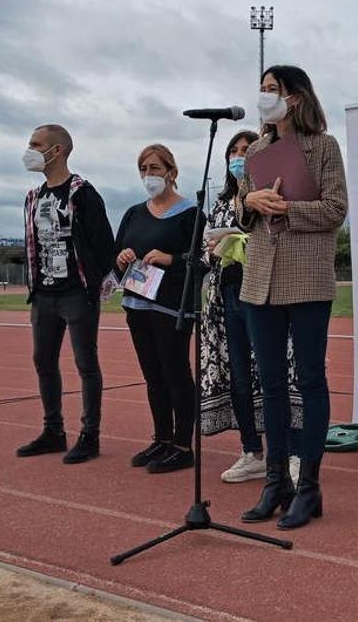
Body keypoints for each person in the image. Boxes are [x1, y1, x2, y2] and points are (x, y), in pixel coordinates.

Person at [237, 65, 348, 530]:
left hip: (306, 280)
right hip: (259, 279)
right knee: (272, 383)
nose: (264, 98)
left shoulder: (323, 146)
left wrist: (287, 208)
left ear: (296, 97)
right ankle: (276, 480)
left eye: (272, 90)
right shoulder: (256, 151)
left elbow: (336, 209)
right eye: (261, 89)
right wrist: (250, 203)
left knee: (310, 379)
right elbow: (244, 213)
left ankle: (310, 487)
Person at [198, 130, 304, 484]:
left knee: (278, 375)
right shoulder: (220, 202)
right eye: (233, 150)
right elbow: (205, 248)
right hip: (229, 297)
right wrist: (215, 248)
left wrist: (244, 239)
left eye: (246, 149)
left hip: (269, 294)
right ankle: (251, 451)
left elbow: (285, 237)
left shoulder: (275, 192)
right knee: (241, 377)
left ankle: (293, 453)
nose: (239, 155)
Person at [16, 124, 115, 464]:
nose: (29, 149)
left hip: (77, 294)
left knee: (85, 363)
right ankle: (53, 430)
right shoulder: (34, 197)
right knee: (43, 360)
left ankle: (90, 435)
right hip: (44, 294)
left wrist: (94, 288)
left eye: (36, 144)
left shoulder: (82, 194)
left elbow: (104, 245)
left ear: (56, 151)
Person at [116, 144, 205, 474]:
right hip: (137, 303)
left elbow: (204, 259)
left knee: (176, 373)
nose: (148, 175)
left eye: (155, 168)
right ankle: (162, 439)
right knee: (152, 375)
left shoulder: (191, 214)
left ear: (172, 172)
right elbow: (116, 253)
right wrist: (122, 257)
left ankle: (183, 446)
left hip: (172, 307)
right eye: (143, 169)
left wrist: (172, 259)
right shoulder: (133, 213)